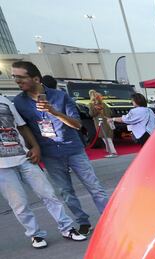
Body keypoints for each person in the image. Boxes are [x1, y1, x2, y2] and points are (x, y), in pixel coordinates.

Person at [12, 60, 109, 236]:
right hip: (49, 153)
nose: (17, 81)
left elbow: (77, 125)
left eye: (21, 77)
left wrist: (54, 112)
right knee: (65, 192)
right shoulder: (18, 102)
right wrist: (33, 147)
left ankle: (109, 219)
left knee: (94, 186)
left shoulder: (59, 96)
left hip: (73, 149)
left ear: (36, 78)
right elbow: (23, 128)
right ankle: (83, 221)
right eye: (14, 77)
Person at [0, 94, 86, 248]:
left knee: (48, 193)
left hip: (24, 156)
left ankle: (67, 228)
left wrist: (35, 146)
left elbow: (22, 126)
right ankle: (35, 234)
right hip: (2, 167)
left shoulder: (4, 100)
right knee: (19, 203)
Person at [88, 90, 117, 157]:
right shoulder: (104, 104)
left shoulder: (92, 105)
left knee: (106, 138)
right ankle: (109, 150)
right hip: (108, 121)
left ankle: (112, 151)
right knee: (108, 137)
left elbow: (91, 114)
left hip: (100, 123)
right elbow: (110, 113)